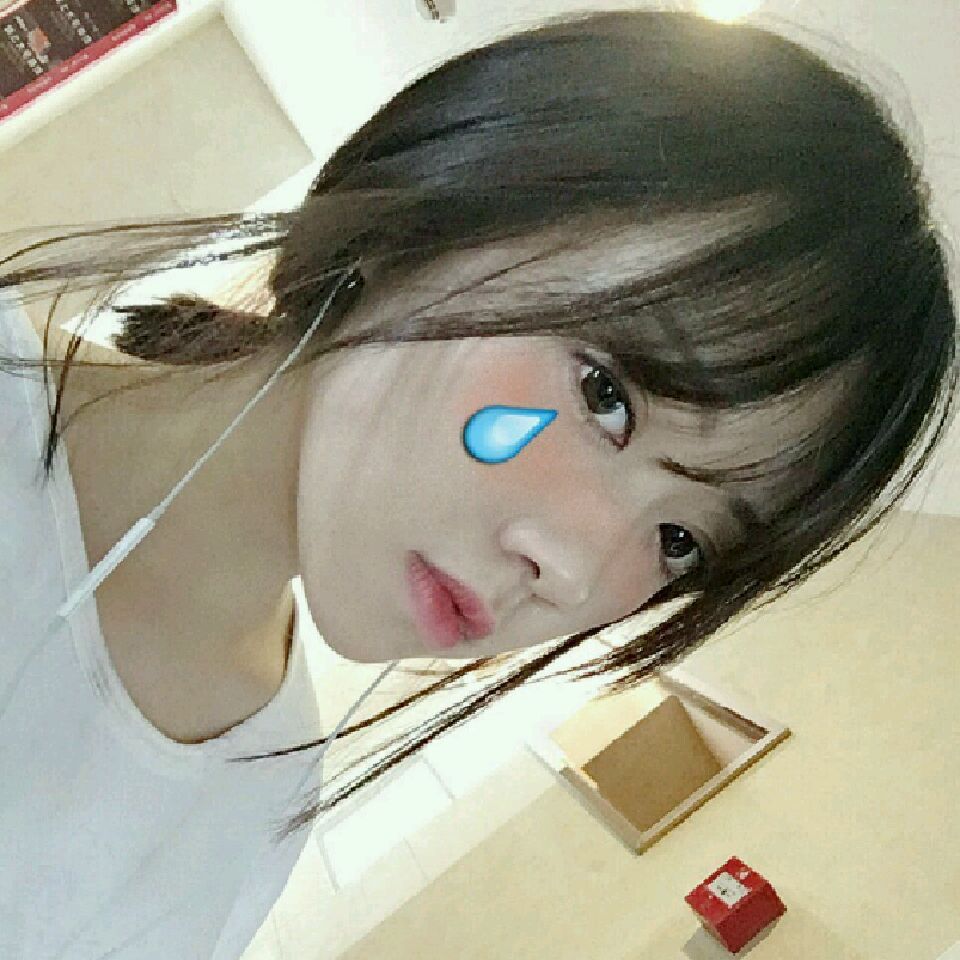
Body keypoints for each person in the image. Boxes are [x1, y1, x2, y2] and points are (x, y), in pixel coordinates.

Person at [0, 9, 956, 960]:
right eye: (606, 395)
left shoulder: (260, 799)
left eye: (681, 543)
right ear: (432, 215)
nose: (574, 576)